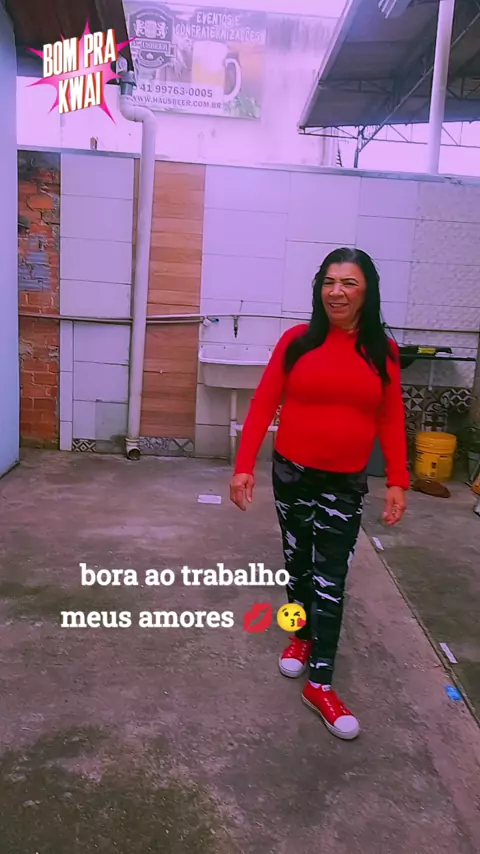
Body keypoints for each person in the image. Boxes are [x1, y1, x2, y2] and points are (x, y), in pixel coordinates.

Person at [229, 247, 409, 741]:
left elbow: (390, 416)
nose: (337, 292)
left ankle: (320, 683)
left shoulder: (382, 351)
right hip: (292, 474)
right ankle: (300, 636)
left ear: (367, 292)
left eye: (348, 283)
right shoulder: (297, 342)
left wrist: (398, 478)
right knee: (297, 565)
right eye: (329, 282)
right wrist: (243, 467)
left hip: (344, 483)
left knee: (331, 578)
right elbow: (264, 402)